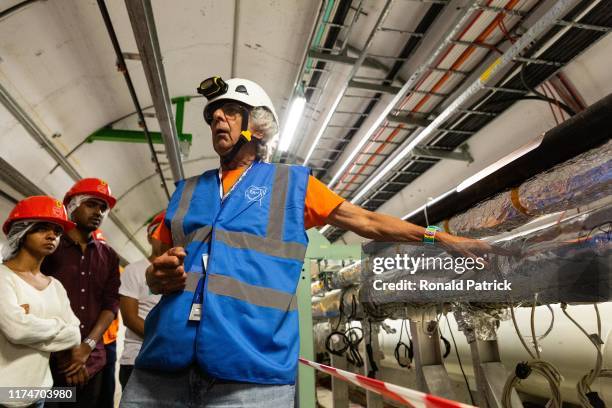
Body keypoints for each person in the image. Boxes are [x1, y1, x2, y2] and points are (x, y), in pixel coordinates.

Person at [120, 77, 493, 407]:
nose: (219, 118)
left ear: (258, 126)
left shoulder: (292, 186)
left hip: (250, 374)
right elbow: (157, 271)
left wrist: (437, 237)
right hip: (163, 367)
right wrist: (157, 276)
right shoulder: (186, 192)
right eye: (214, 114)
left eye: (232, 112)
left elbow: (366, 221)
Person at [41, 179, 121, 408]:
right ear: (71, 206)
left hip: (90, 363)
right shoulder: (49, 249)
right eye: (92, 205)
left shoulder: (109, 257)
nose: (98, 212)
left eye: (103, 208)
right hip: (51, 360)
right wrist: (68, 353)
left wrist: (86, 346)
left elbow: (110, 305)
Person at [0, 196, 81, 408]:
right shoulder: (3, 276)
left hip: (40, 393)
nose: (52, 235)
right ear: (22, 232)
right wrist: (58, 325)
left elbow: (75, 335)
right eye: (42, 228)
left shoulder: (55, 286)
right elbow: (17, 330)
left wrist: (32, 323)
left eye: (57, 230)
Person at [117, 212, 164, 389]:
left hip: (170, 361)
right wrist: (164, 339)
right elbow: (129, 317)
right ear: (150, 238)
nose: (164, 239)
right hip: (137, 357)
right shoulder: (134, 270)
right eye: (159, 233)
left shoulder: (187, 273)